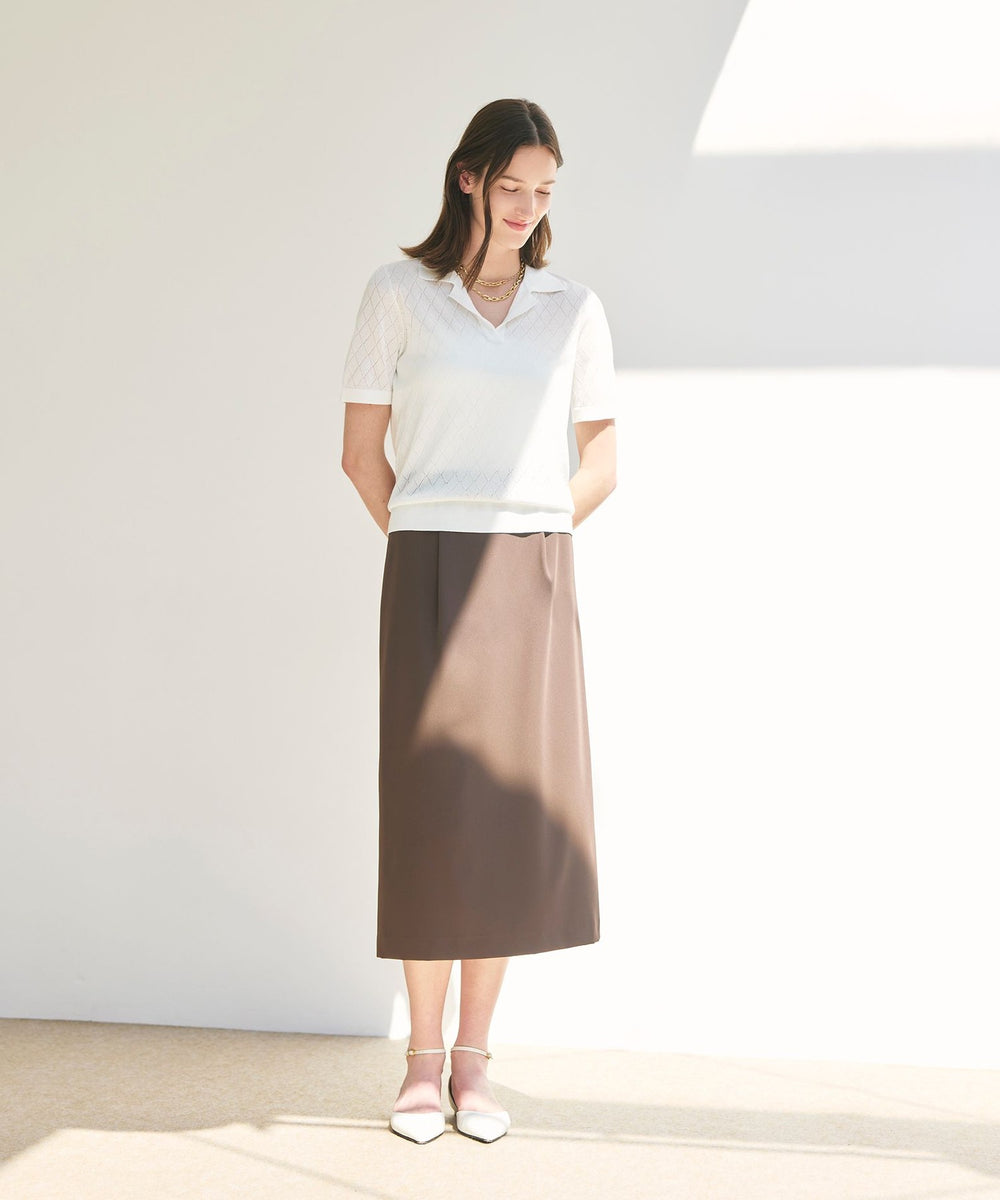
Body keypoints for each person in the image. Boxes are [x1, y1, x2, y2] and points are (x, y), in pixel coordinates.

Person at [340, 97, 618, 1145]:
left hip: (529, 570)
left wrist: (529, 539)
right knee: (429, 814)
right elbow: (360, 455)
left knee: (500, 821)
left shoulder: (571, 309)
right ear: (467, 177)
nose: (526, 207)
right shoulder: (398, 295)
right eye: (511, 187)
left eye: (544, 192)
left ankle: (473, 1064)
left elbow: (603, 461)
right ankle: (419, 1059)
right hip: (428, 564)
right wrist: (427, 540)